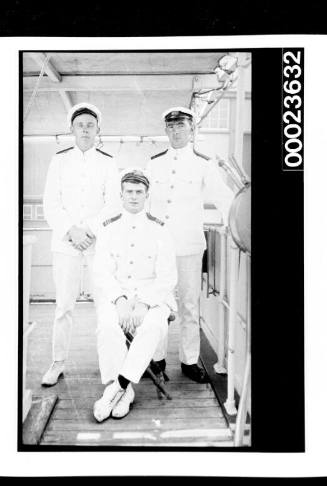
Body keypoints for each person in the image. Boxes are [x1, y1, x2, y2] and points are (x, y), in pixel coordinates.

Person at [146, 106, 234, 383]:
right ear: (166, 130)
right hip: (158, 249)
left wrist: (240, 223)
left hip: (189, 247)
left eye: (181, 126)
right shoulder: (154, 163)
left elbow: (224, 198)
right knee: (158, 304)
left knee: (188, 306)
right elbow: (144, 203)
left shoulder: (203, 163)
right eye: (171, 127)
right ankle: (156, 359)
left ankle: (189, 360)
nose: (176, 132)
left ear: (191, 130)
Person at [41, 102, 121, 386]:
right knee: (63, 305)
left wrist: (88, 230)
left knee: (104, 305)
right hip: (65, 244)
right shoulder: (59, 160)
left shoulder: (108, 162)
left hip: (98, 243)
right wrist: (71, 231)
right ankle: (58, 362)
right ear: (72, 129)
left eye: (90, 125)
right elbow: (51, 204)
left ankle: (109, 367)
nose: (85, 130)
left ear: (98, 129)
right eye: (80, 125)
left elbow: (113, 203)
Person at [92, 169, 177, 421]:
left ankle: (117, 387)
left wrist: (144, 304)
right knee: (107, 327)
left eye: (139, 192)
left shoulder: (161, 229)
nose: (133, 196)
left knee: (152, 327)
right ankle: (126, 391)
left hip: (153, 297)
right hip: (117, 295)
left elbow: (167, 277)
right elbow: (102, 273)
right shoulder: (108, 229)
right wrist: (119, 301)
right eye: (128, 191)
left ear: (147, 195)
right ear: (121, 195)